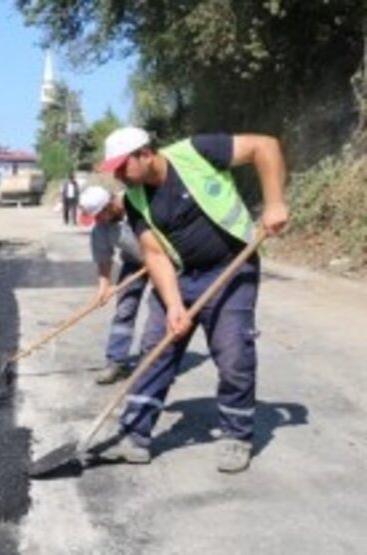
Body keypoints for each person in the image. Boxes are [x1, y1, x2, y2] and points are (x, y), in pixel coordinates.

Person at [93, 126, 287, 473]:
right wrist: (174, 305)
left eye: (124, 167)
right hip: (181, 276)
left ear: (145, 153)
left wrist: (274, 203)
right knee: (156, 351)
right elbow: (154, 256)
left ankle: (235, 435)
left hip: (231, 266)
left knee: (233, 353)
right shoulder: (135, 201)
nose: (119, 177)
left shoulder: (197, 151)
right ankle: (134, 437)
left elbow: (265, 146)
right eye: (115, 171)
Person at [77, 186, 148, 385]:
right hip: (135, 263)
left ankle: (155, 363)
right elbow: (104, 260)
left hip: (167, 261)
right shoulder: (101, 228)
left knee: (162, 310)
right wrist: (103, 289)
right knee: (125, 309)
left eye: (99, 215)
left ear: (110, 205)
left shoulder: (138, 203)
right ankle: (115, 362)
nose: (97, 221)